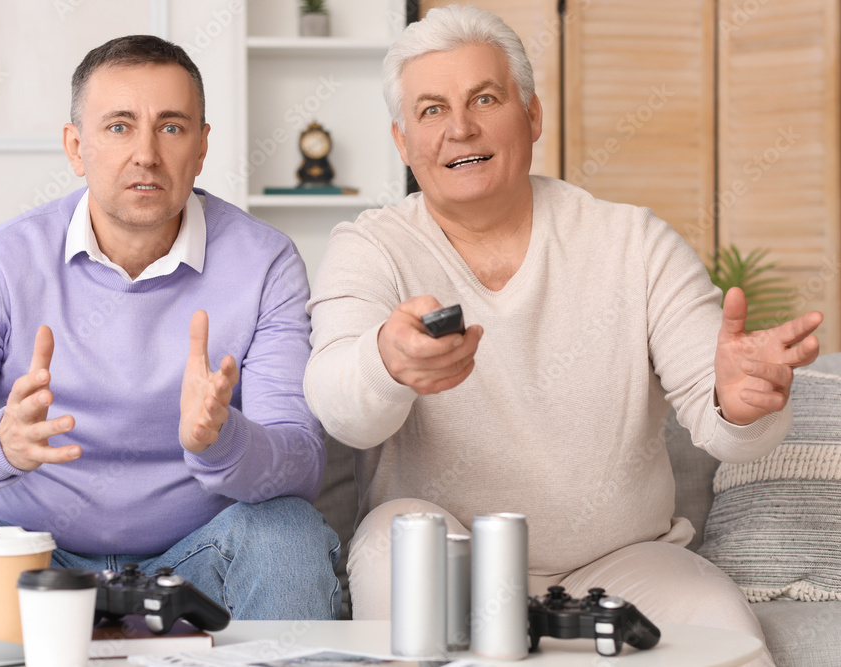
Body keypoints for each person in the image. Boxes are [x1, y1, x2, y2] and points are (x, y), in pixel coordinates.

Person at [303, 5, 820, 662]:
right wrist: (386, 361)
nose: (459, 127)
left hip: (622, 558)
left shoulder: (635, 242)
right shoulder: (370, 247)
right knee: (394, 544)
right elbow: (338, 403)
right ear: (403, 143)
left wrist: (740, 401)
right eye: (431, 110)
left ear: (532, 115)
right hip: (447, 549)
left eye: (485, 98)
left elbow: (719, 411)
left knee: (730, 637)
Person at [0, 35, 340, 620]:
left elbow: (301, 463)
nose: (146, 152)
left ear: (200, 147)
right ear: (76, 146)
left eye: (171, 127)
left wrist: (223, 441)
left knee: (288, 533)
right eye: (119, 126)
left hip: (194, 566)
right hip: (26, 563)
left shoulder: (265, 262)